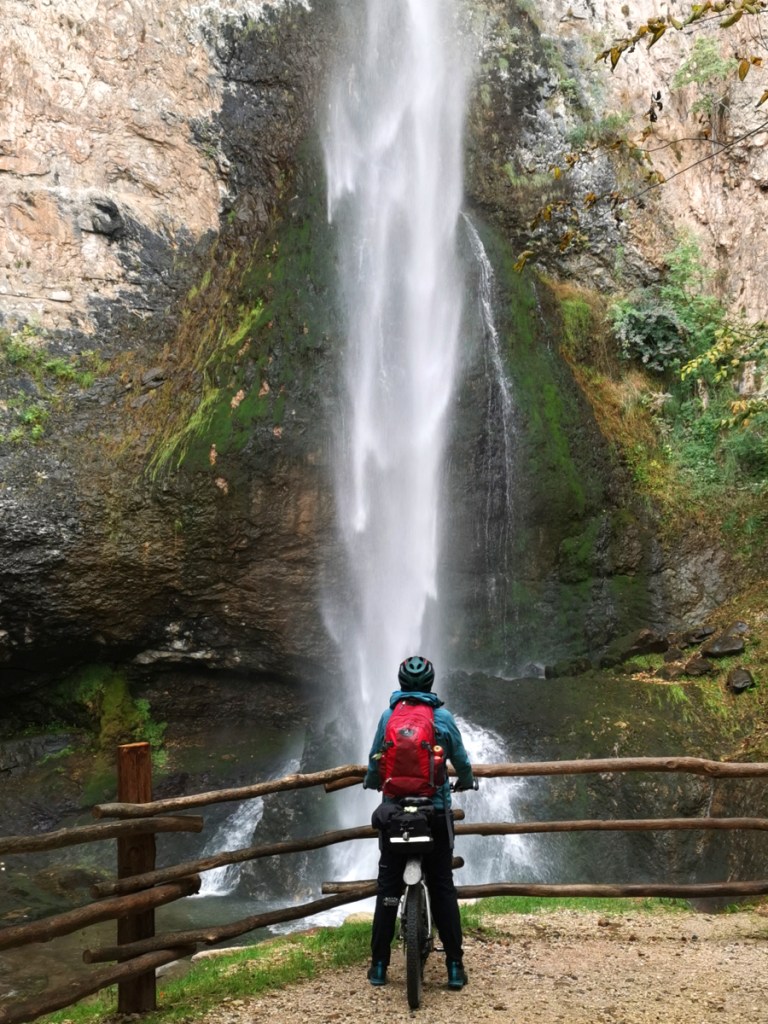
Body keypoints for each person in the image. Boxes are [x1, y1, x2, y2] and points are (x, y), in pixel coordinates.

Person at [363, 655, 477, 990]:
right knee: (442, 885)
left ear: (401, 683)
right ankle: (454, 966)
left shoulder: (389, 717)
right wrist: (466, 779)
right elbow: (461, 759)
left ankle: (379, 966)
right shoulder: (443, 718)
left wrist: (372, 782)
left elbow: (375, 759)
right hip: (435, 813)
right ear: (430, 683)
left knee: (388, 889)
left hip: (395, 813)